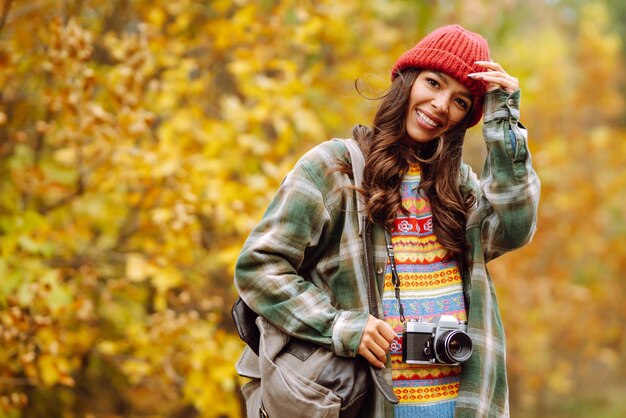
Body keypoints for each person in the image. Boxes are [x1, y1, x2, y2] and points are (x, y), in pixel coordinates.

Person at [234, 24, 540, 418]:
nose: (441, 105)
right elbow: (259, 267)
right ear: (406, 80)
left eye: (461, 102)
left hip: (459, 406)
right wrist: (340, 326)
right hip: (364, 404)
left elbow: (514, 226)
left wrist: (504, 121)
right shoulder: (333, 170)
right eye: (433, 83)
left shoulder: (458, 188)